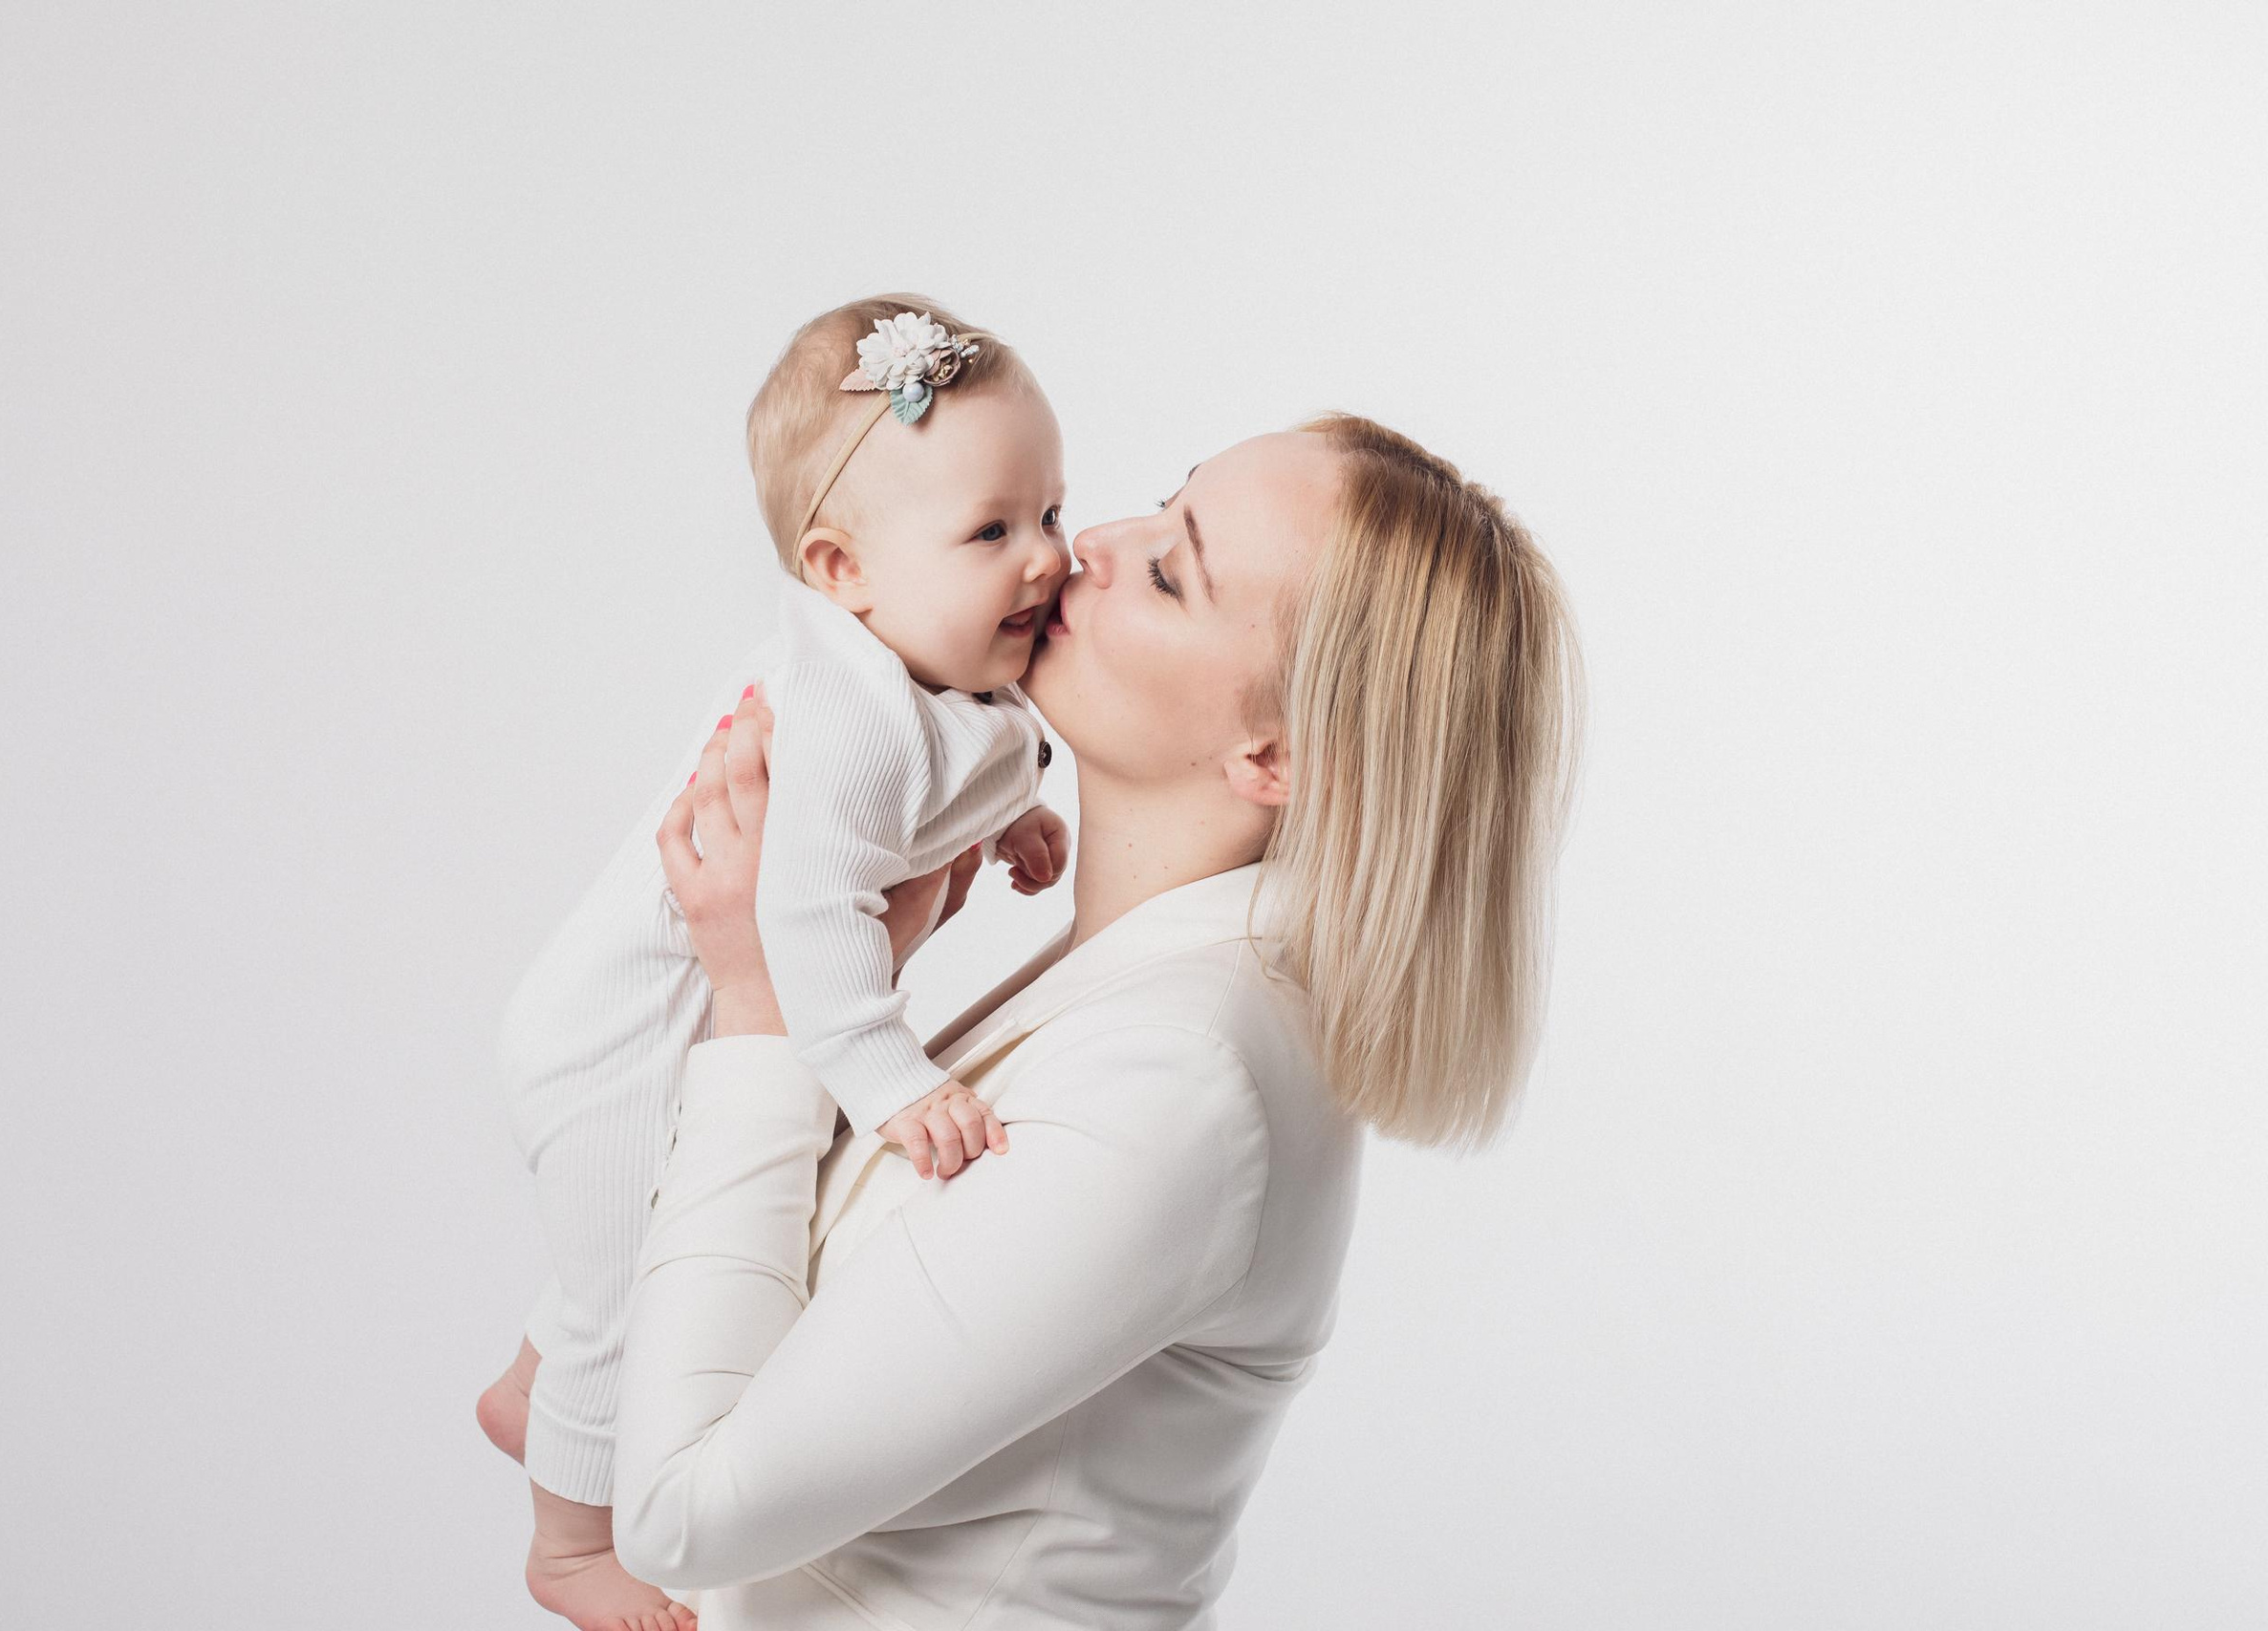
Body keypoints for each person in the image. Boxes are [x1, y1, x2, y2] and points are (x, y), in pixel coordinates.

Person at [617, 413, 1586, 1626]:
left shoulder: (1181, 1081)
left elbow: (676, 1511)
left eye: (1171, 569)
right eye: (1161, 502)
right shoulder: (1137, 991)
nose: (1092, 546)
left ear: (1272, 755)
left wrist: (760, 1013)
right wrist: (844, 1001)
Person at [477, 295, 1075, 1631]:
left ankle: (531, 1383)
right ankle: (570, 1541)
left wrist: (1017, 814)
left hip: (671, 1022)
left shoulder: (945, 667)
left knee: (612, 1244)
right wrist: (890, 1078)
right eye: (993, 529)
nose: (1045, 558)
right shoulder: (849, 715)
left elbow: (974, 757)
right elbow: (803, 923)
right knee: (623, 1274)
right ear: (843, 570)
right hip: (614, 1034)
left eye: (1050, 511)